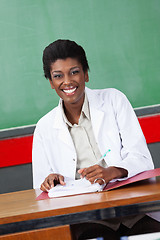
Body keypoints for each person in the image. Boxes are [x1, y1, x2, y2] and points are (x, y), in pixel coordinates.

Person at [32, 39, 160, 239]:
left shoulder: (114, 100)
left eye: (74, 72)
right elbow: (40, 189)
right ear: (51, 82)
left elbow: (142, 159)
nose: (67, 81)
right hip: (87, 217)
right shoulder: (44, 128)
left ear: (86, 74)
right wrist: (49, 181)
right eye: (58, 76)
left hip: (132, 209)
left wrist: (111, 172)